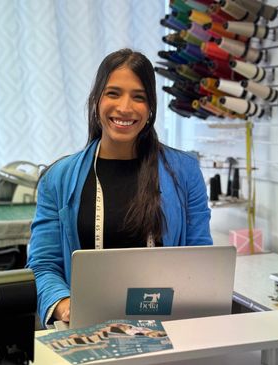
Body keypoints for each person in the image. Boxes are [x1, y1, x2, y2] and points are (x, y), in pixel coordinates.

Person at [27, 48, 213, 328]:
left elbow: (201, 258)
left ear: (150, 107)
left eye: (138, 97)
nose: (125, 108)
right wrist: (65, 305)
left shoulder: (185, 172)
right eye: (113, 93)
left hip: (167, 328)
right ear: (96, 99)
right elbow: (44, 264)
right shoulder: (58, 178)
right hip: (87, 328)